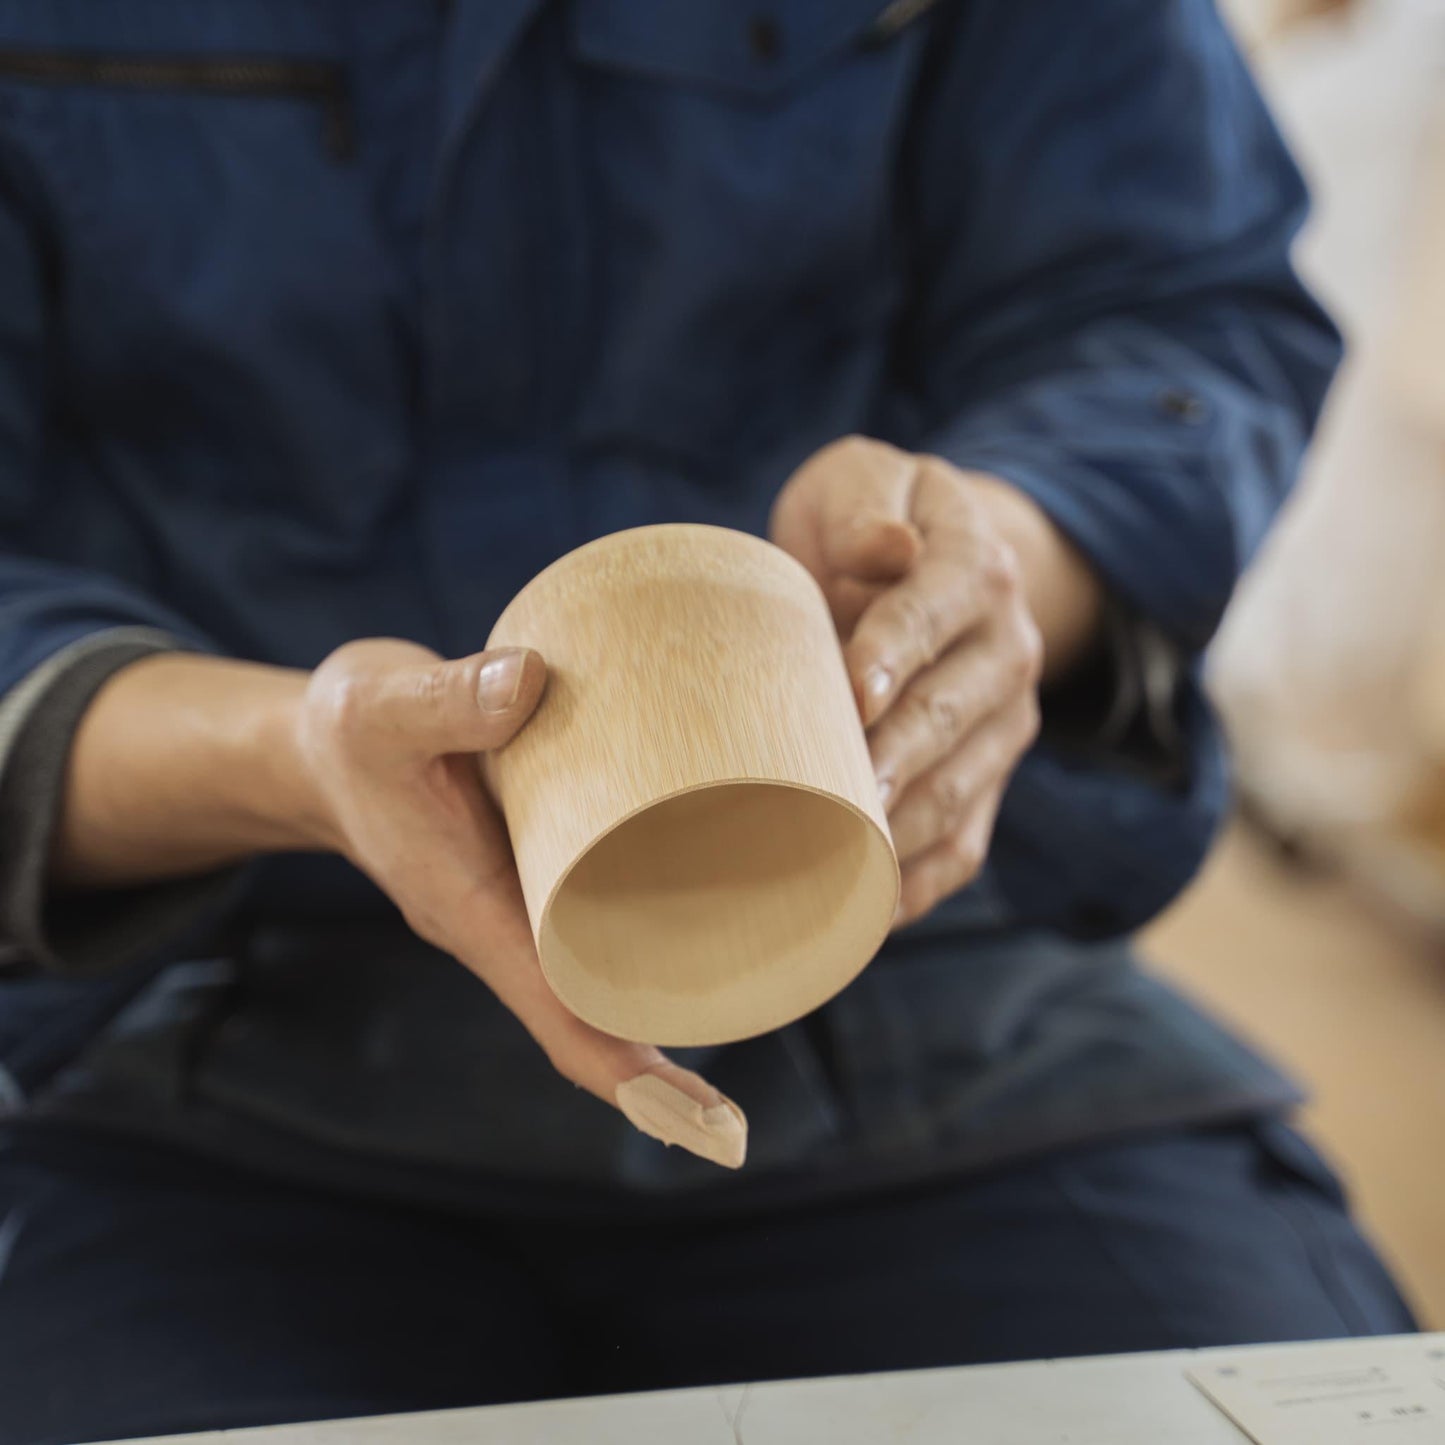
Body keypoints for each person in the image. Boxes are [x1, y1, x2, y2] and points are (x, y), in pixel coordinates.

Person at [0, 2, 1416, 1442]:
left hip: (924, 984)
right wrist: (291, 754)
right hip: (199, 1029)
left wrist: (983, 562)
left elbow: (1172, 304)